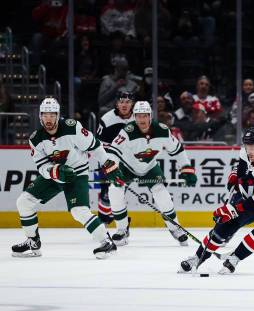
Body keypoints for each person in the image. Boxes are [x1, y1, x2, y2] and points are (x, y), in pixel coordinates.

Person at [12, 98, 123, 259]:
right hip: (55, 173)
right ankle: (33, 242)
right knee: (24, 201)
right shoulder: (35, 139)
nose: (48, 118)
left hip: (77, 172)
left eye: (52, 114)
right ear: (40, 116)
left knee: (79, 211)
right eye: (44, 115)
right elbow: (42, 167)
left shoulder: (72, 128)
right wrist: (54, 172)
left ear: (58, 115)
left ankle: (107, 242)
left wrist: (108, 163)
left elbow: (94, 146)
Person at [178, 127, 254, 275]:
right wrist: (235, 176)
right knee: (227, 223)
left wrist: (233, 209)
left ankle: (235, 258)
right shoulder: (248, 152)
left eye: (253, 147)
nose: (249, 151)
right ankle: (197, 258)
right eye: (247, 146)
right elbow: (241, 171)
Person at [106, 101, 197, 246]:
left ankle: (175, 228)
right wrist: (112, 168)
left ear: (150, 116)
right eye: (138, 116)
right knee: (114, 191)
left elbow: (178, 150)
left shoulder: (162, 130)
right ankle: (122, 230)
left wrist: (186, 168)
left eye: (144, 116)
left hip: (149, 167)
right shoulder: (127, 131)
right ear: (134, 117)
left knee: (161, 192)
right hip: (126, 166)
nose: (141, 120)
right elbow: (113, 152)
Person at [95, 90, 135, 224]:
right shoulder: (107, 119)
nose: (124, 105)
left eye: (128, 102)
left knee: (119, 193)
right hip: (108, 161)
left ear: (132, 104)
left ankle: (122, 224)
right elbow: (99, 147)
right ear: (117, 104)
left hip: (128, 163)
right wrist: (109, 164)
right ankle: (104, 220)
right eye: (121, 101)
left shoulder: (138, 118)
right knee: (106, 195)